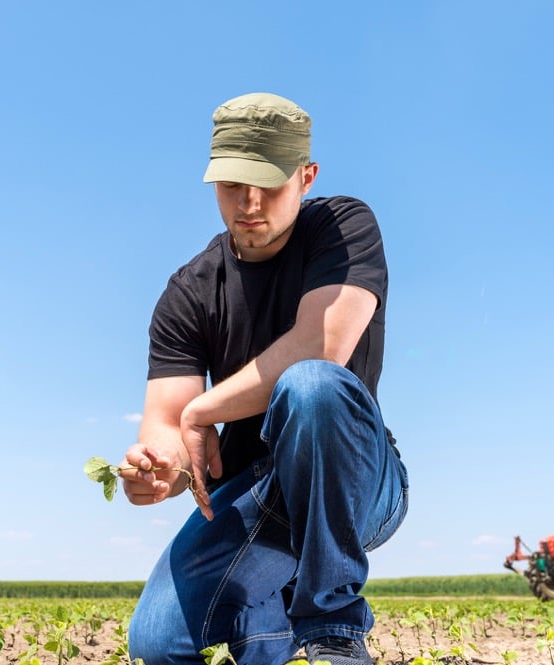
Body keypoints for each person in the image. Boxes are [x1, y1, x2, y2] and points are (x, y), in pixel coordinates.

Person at [119, 92, 409, 665]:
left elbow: (322, 347)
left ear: (306, 176)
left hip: (356, 483)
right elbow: (168, 428)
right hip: (256, 490)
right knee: (156, 646)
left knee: (311, 386)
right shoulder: (190, 291)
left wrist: (202, 412)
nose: (249, 204)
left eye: (269, 184)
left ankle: (333, 631)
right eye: (232, 185)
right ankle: (267, 631)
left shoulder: (343, 226)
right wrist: (157, 469)